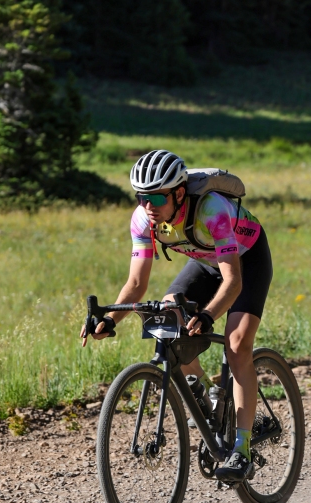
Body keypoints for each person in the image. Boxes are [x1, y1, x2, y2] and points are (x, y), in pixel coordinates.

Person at [80, 150, 272, 482]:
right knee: (168, 321)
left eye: (156, 196)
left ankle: (241, 450)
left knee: (237, 344)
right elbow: (137, 283)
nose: (148, 205)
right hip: (203, 262)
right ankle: (208, 394)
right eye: (142, 197)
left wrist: (210, 314)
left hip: (245, 261)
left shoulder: (213, 210)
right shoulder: (143, 218)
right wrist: (109, 318)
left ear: (179, 193)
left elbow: (233, 281)